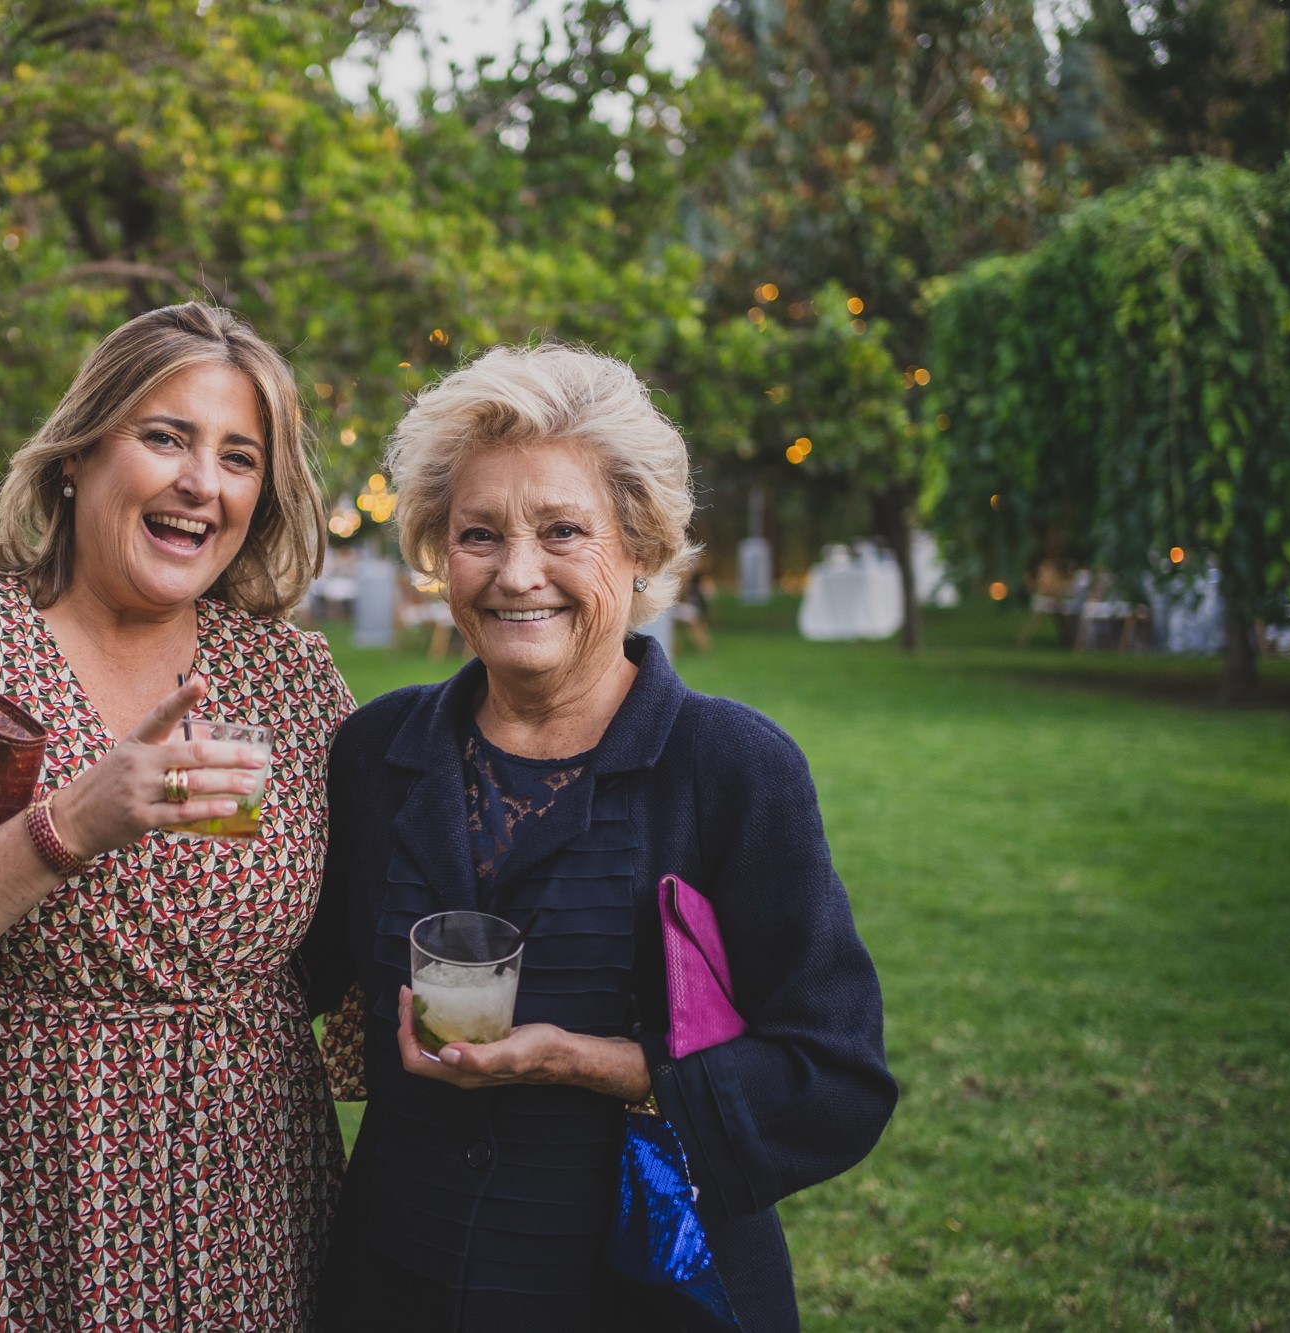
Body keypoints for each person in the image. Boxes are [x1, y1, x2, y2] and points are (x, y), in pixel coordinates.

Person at [302, 344, 896, 1332]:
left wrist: (587, 1060)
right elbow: (287, 989)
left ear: (637, 545)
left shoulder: (732, 769)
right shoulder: (374, 755)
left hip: (635, 1289)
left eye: (561, 530)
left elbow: (831, 1081)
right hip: (396, 1274)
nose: (514, 574)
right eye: (477, 534)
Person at [0, 302, 351, 1329]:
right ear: (77, 457)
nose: (199, 482)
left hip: (247, 1204)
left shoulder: (287, 679)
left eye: (237, 457)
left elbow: (370, 920)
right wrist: (66, 827)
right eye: (164, 436)